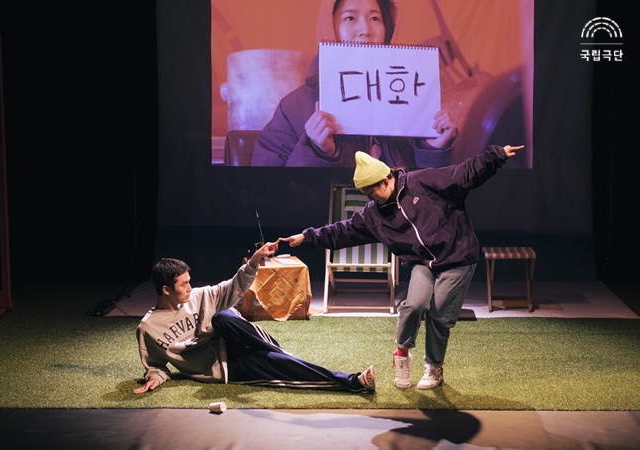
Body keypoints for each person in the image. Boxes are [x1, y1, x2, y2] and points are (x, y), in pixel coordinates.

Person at [281, 144, 523, 389]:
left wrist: (496, 155)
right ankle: (401, 355)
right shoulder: (373, 215)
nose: (370, 199)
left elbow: (463, 173)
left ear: (385, 181)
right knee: (413, 305)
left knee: (439, 315)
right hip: (423, 262)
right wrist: (306, 237)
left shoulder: (422, 182)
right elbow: (343, 231)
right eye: (366, 195)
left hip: (457, 256)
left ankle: (434, 368)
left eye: (372, 192)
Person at [133, 241, 375, 395]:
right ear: (166, 289)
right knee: (285, 367)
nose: (190, 287)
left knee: (223, 317)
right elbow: (155, 365)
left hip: (239, 341)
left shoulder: (199, 296)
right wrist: (155, 377)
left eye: (189, 281)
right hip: (227, 368)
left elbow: (233, 286)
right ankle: (354, 382)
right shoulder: (148, 328)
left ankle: (278, 353)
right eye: (183, 284)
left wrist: (255, 258)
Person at [251, 0, 457, 168]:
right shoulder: (292, 108)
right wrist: (317, 152)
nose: (365, 30)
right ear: (328, 28)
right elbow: (268, 193)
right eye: (350, 18)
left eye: (375, 18)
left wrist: (433, 150)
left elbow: (430, 195)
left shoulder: (413, 102)